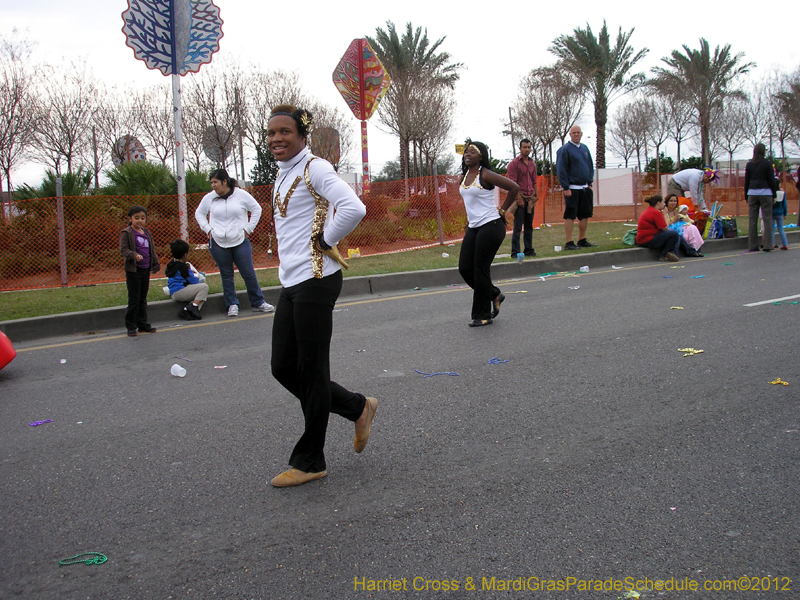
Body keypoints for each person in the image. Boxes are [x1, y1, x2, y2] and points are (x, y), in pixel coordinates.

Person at [266, 104, 374, 488]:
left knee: (312, 373)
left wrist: (326, 239)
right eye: (272, 133)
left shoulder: (316, 168)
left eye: (285, 132)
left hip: (317, 279)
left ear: (302, 135)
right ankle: (356, 406)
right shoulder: (282, 174)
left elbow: (354, 206)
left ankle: (311, 460)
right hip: (292, 281)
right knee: (283, 366)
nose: (277, 138)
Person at [195, 168, 275, 317]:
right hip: (218, 242)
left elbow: (256, 209)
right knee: (226, 274)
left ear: (224, 182)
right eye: (211, 182)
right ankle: (232, 304)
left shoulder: (241, 195)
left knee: (248, 273)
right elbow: (199, 213)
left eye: (215, 182)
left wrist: (248, 229)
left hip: (240, 241)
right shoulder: (209, 198)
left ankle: (258, 302)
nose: (213, 185)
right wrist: (208, 230)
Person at [458, 139, 519, 327]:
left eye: (472, 152)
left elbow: (514, 188)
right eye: (466, 152)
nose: (468, 155)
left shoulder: (486, 174)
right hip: (475, 226)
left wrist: (502, 211)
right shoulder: (466, 175)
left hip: (491, 225)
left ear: (481, 156)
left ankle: (483, 315)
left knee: (480, 268)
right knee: (465, 268)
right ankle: (494, 294)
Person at [119, 205, 160, 337]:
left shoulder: (146, 232)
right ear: (130, 219)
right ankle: (131, 325)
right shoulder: (127, 233)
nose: (140, 221)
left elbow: (151, 250)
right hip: (134, 270)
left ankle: (143, 323)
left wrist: (155, 263)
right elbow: (123, 250)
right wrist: (134, 255)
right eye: (136, 218)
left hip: (145, 269)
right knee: (134, 299)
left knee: (143, 298)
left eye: (142, 218)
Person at [556, 126, 597, 250]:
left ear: (581, 134)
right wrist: (566, 187)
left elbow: (589, 165)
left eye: (578, 132)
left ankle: (582, 239)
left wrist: (589, 183)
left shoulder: (584, 148)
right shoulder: (565, 150)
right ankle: (569, 242)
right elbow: (561, 169)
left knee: (585, 214)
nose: (576, 135)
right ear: (570, 134)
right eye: (574, 133)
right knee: (570, 215)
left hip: (585, 188)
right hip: (572, 188)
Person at [506, 138, 538, 257]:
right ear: (520, 148)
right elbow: (513, 183)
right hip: (520, 198)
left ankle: (529, 249)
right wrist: (519, 198)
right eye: (524, 147)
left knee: (529, 226)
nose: (527, 149)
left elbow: (534, 180)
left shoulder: (531, 164)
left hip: (530, 199)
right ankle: (515, 251)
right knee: (518, 226)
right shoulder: (514, 164)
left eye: (529, 147)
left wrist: (537, 195)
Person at [744, 143, 778, 252]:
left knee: (752, 220)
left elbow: (746, 181)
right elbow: (771, 180)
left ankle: (752, 245)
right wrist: (774, 194)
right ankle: (768, 245)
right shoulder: (767, 164)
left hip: (752, 192)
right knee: (767, 219)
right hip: (766, 192)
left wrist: (746, 195)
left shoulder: (749, 164)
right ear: (764, 151)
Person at [165, 239, 209, 320]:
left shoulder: (171, 264)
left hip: (173, 291)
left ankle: (189, 310)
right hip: (180, 291)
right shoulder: (184, 267)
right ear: (185, 255)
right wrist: (199, 275)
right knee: (204, 288)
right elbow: (194, 281)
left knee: (200, 296)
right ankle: (191, 308)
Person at [636, 195, 680, 262]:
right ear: (658, 203)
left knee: (677, 236)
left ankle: (673, 253)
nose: (664, 204)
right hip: (648, 239)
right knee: (674, 234)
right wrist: (665, 214)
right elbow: (665, 228)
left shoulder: (650, 210)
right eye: (663, 202)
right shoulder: (656, 212)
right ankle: (664, 254)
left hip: (644, 238)